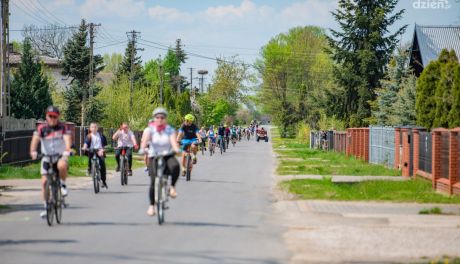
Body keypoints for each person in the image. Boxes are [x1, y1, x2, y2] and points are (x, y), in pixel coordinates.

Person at [30, 106, 72, 218]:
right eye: (50, 116)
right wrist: (33, 151)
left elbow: (67, 141)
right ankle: (46, 207)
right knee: (44, 183)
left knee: (62, 165)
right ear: (46, 116)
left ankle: (63, 185)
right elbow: (35, 141)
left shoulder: (63, 127)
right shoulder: (41, 128)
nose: (52, 118)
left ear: (58, 117)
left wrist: (67, 151)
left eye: (55, 116)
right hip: (47, 157)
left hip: (60, 156)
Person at [140, 108, 181, 216]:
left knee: (175, 166)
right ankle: (151, 206)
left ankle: (172, 187)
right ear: (154, 119)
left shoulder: (169, 130)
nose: (159, 119)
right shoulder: (150, 130)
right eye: (157, 117)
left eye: (162, 117)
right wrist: (142, 148)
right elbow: (145, 141)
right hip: (154, 156)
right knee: (153, 182)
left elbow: (173, 141)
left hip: (167, 155)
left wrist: (176, 149)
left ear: (165, 119)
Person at [82, 122, 108, 188]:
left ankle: (103, 181)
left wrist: (102, 150)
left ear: (97, 128)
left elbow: (104, 146)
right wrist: (84, 147)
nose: (94, 128)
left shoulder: (101, 136)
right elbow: (86, 143)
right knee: (90, 155)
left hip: (99, 150)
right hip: (92, 150)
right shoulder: (89, 136)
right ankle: (89, 168)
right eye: (92, 127)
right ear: (90, 128)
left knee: (102, 164)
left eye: (95, 127)